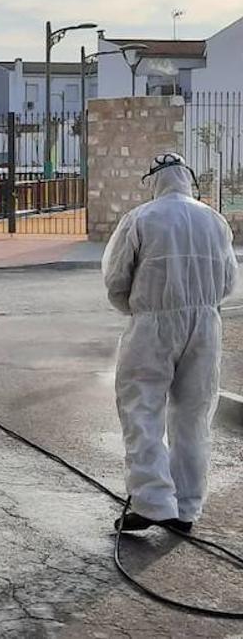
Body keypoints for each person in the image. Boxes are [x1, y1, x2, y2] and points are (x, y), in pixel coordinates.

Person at [103, 153, 236, 533]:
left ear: (154, 181)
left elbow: (116, 281)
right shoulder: (214, 220)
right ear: (188, 179)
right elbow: (228, 282)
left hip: (153, 326)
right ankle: (186, 508)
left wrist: (140, 310)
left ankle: (152, 502)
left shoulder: (142, 218)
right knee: (194, 416)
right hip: (206, 325)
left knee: (141, 410)